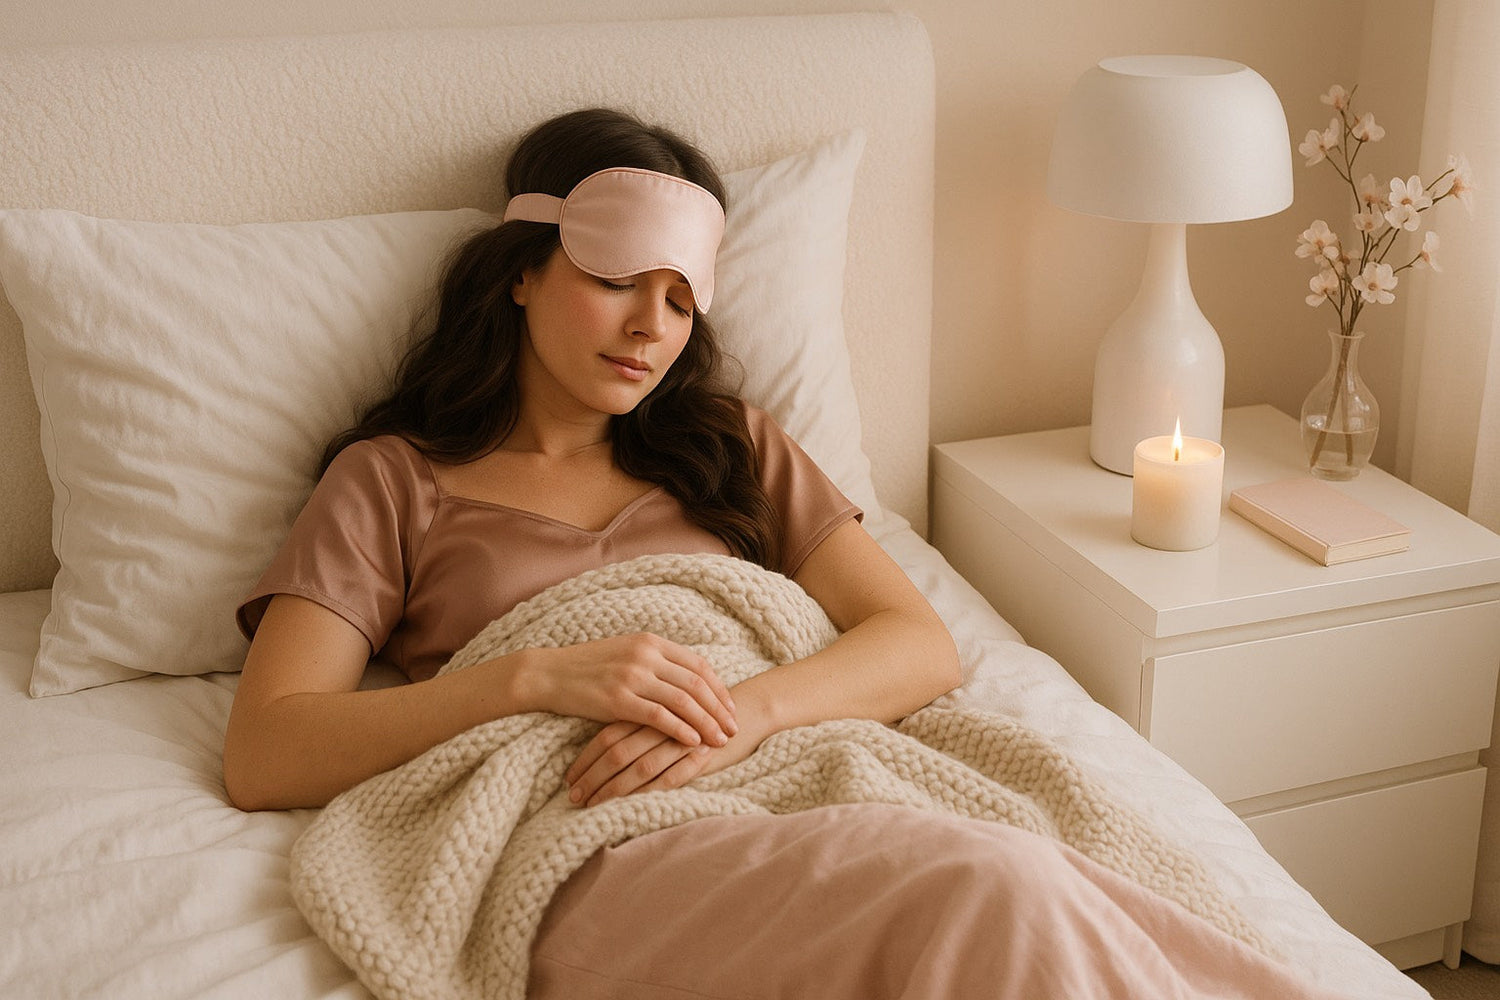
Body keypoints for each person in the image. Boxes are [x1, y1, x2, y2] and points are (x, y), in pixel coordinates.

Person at [222, 106, 961, 814]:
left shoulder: (733, 446)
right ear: (522, 273)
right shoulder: (393, 481)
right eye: (616, 281)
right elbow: (265, 753)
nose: (648, 327)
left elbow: (919, 645)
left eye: (679, 301)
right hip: (588, 821)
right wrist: (531, 679)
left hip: (784, 779)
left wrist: (741, 719)